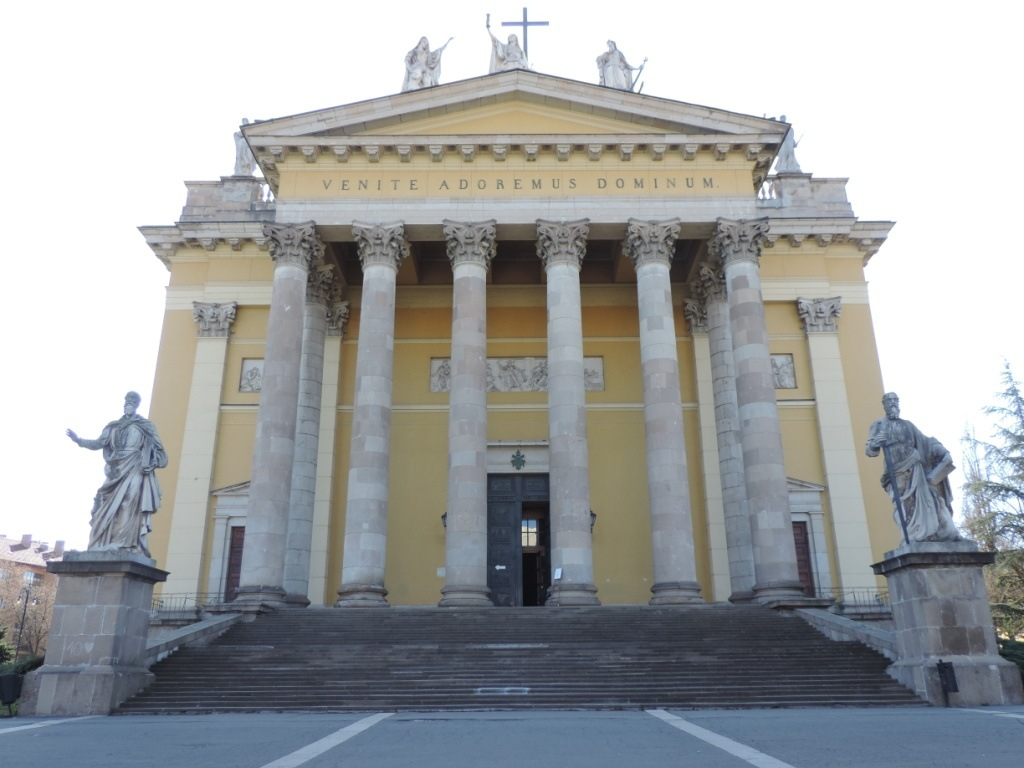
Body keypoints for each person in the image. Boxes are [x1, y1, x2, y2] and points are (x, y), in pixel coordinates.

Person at [67, 391, 168, 557]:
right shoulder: (113, 426)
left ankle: (122, 543)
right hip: (115, 469)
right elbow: (99, 443)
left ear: (136, 406)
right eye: (127, 401)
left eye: (133, 401)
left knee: (129, 501)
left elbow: (160, 452)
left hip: (135, 465)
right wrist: (79, 440)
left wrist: (151, 462)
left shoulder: (145, 425)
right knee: (104, 503)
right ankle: (101, 543)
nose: (129, 404)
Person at [865, 392, 961, 543]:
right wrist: (875, 443)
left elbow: (925, 441)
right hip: (895, 472)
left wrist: (939, 448)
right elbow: (870, 451)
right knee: (902, 505)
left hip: (915, 468)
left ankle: (933, 533)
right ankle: (909, 536)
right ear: (884, 405)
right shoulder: (879, 424)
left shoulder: (908, 425)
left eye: (896, 401)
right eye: (889, 401)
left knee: (927, 501)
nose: (893, 403)